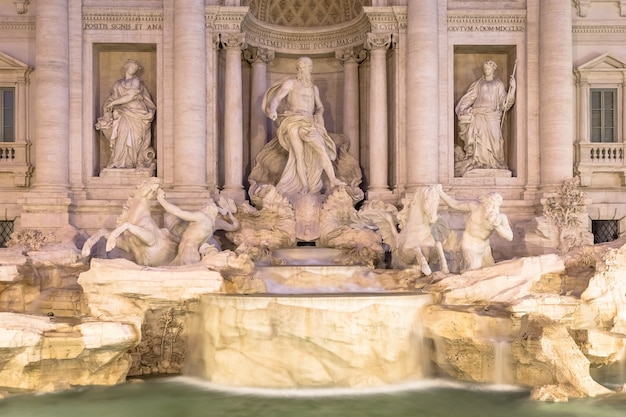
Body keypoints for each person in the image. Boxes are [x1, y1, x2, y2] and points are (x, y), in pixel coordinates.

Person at [262, 56, 345, 195]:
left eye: (308, 67)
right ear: (299, 68)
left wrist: (318, 114)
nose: (306, 70)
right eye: (304, 67)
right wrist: (273, 110)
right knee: (297, 154)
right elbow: (278, 97)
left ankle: (333, 179)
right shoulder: (291, 83)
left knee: (321, 148)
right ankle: (304, 185)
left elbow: (320, 106)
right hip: (293, 120)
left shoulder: (314, 88)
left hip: (310, 122)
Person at [455, 59, 516, 176]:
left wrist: (512, 89)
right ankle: (478, 162)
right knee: (479, 139)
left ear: (493, 69)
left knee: (495, 138)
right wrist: (462, 109)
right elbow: (470, 98)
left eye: (488, 69)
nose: (486, 71)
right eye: (485, 69)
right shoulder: (479, 84)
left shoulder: (498, 84)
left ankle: (495, 163)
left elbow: (505, 103)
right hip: (478, 114)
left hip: (492, 116)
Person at [96, 59, 156, 169]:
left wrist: (113, 103)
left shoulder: (135, 81)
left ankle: (131, 162)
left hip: (137, 114)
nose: (132, 69)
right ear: (126, 66)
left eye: (135, 68)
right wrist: (108, 105)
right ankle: (118, 161)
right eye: (131, 67)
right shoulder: (118, 84)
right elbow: (113, 97)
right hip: (122, 113)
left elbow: (130, 96)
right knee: (121, 135)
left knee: (135, 138)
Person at [437, 186, 513, 272]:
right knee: (474, 270)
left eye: (495, 207)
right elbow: (455, 204)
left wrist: (497, 226)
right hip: (469, 243)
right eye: (490, 205)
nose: (492, 209)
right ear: (485, 202)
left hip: (484, 247)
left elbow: (509, 237)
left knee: (488, 271)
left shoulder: (500, 218)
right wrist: (441, 193)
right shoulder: (474, 207)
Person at [156, 191, 240, 266]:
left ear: (207, 209)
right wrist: (229, 214)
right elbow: (235, 226)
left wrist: (161, 200)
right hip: (192, 253)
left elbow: (178, 212)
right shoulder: (210, 226)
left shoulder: (201, 217)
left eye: (203, 207)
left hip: (187, 253)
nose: (201, 208)